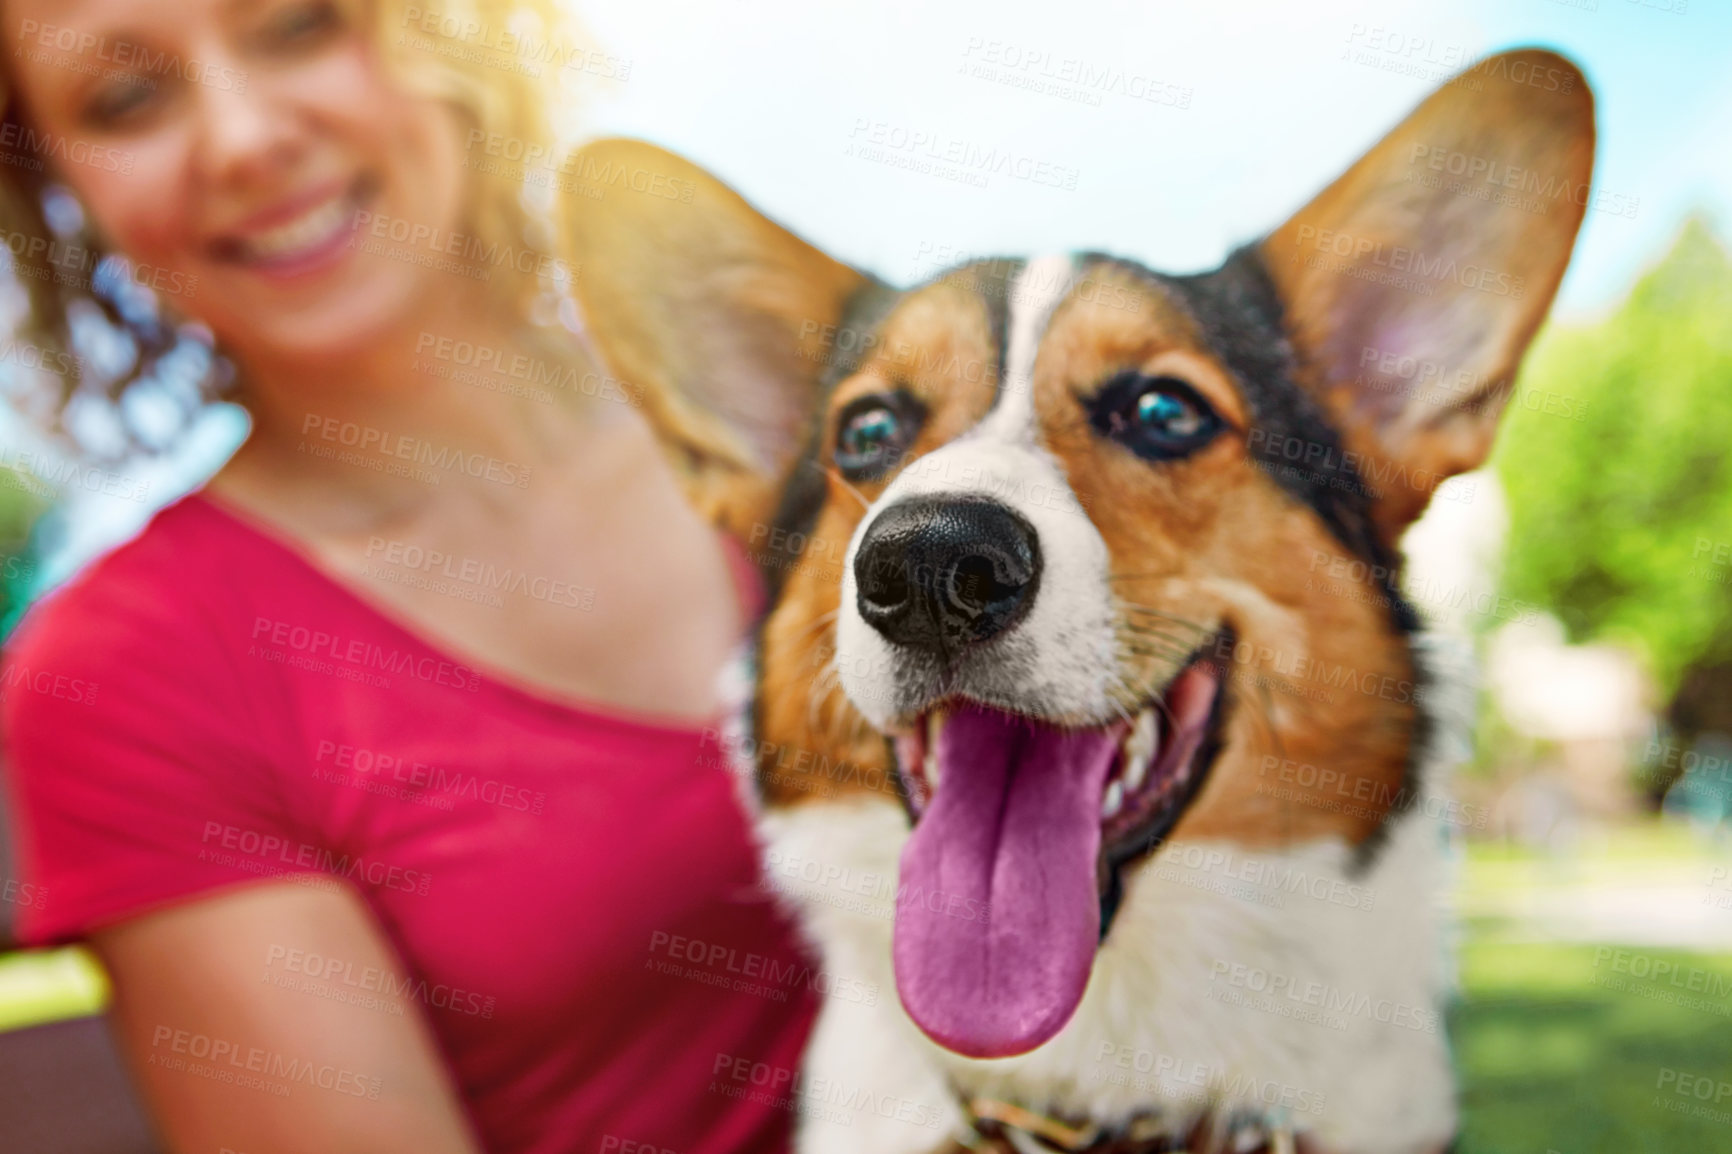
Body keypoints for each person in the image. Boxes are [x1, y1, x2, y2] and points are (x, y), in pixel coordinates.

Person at [0, 1, 816, 1151]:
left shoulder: (807, 391)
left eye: (298, 24)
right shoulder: (141, 672)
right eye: (125, 98)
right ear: (54, 188)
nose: (240, 139)